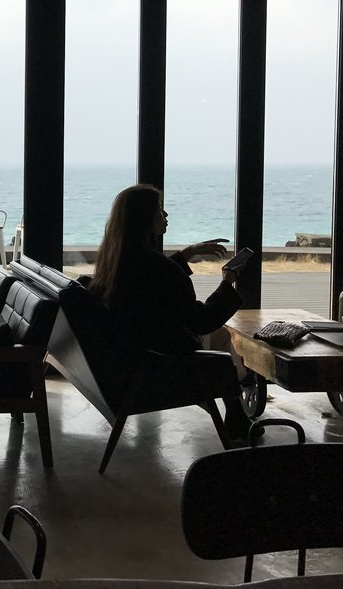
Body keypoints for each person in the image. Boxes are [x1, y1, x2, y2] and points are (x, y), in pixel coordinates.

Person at [88, 183, 255, 442]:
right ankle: (236, 407)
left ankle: (237, 409)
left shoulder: (115, 258)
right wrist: (228, 281)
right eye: (159, 210)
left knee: (222, 338)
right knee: (221, 346)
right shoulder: (158, 268)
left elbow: (153, 282)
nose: (165, 216)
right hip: (161, 360)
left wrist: (187, 253)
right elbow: (201, 320)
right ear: (145, 218)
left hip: (137, 349)